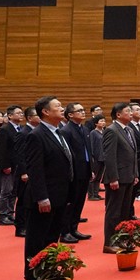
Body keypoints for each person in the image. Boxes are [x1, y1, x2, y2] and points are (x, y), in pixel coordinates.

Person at [21, 96, 74, 280]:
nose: (62, 109)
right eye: (57, 106)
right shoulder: (36, 135)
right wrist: (42, 197)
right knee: (37, 237)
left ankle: (48, 269)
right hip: (44, 197)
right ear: (45, 111)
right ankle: (33, 274)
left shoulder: (59, 133)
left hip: (60, 194)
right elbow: (36, 170)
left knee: (52, 236)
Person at [101, 102, 139, 253]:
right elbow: (109, 157)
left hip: (128, 176)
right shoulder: (112, 130)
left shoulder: (128, 130)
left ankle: (121, 239)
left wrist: (135, 174)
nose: (131, 113)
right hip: (117, 178)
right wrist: (113, 178)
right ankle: (109, 243)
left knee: (124, 211)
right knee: (114, 212)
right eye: (127, 111)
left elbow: (133, 154)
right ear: (118, 114)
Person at [59, 102, 93, 244]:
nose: (83, 112)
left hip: (84, 169)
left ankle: (74, 228)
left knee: (79, 201)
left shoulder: (84, 129)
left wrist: (90, 169)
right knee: (71, 203)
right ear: (70, 115)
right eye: (79, 110)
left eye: (83, 110)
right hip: (74, 172)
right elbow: (66, 155)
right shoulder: (66, 130)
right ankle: (65, 232)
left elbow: (88, 151)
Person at [0, 105, 23, 227]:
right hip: (8, 165)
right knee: (6, 190)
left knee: (14, 191)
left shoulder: (20, 128)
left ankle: (11, 213)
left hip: (17, 165)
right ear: (10, 116)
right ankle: (2, 215)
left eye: (22, 113)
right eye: (18, 113)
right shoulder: (5, 129)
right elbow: (1, 150)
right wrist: (5, 165)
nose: (21, 115)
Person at [86, 114, 106, 200]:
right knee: (93, 177)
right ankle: (91, 195)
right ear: (96, 123)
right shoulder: (93, 133)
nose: (103, 122)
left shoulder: (104, 131)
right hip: (96, 157)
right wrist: (92, 157)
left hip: (103, 157)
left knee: (99, 177)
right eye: (101, 121)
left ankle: (96, 193)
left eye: (104, 121)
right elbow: (91, 145)